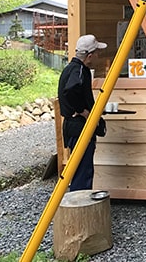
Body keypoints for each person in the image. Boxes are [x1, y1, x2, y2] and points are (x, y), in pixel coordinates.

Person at [57, 34, 107, 191]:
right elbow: (70, 91)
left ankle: (79, 202)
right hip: (78, 126)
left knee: (81, 169)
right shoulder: (79, 70)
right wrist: (83, 111)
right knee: (83, 171)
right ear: (90, 56)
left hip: (73, 126)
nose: (99, 56)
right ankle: (80, 206)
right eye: (97, 53)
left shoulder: (71, 69)